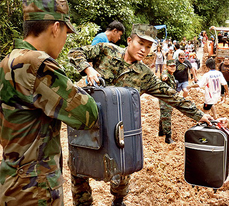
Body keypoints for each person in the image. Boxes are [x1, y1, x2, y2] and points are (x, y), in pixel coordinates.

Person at [68, 24, 212, 206]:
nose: (144, 50)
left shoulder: (145, 75)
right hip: (88, 123)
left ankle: (118, 201)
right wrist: (88, 70)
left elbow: (171, 96)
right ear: (129, 40)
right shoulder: (106, 50)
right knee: (79, 166)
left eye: (148, 46)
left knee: (122, 169)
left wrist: (199, 115)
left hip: (118, 129)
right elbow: (74, 53)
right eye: (140, 43)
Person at [0, 0, 99, 205]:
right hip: (36, 190)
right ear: (56, 28)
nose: (64, 40)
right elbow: (87, 115)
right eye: (65, 32)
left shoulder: (7, 61)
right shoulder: (37, 64)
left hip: (11, 183)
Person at [158, 60, 177, 144]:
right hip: (165, 100)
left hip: (168, 99)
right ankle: (168, 137)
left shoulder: (172, 75)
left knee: (164, 115)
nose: (172, 68)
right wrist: (164, 77)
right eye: (170, 66)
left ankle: (161, 132)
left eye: (174, 66)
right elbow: (164, 76)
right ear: (167, 66)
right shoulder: (166, 74)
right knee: (166, 117)